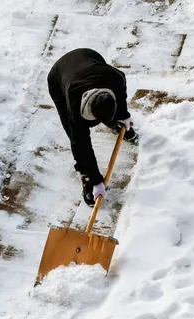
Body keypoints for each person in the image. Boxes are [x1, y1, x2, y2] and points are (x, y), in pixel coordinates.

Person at [47, 48, 138, 207]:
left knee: (114, 116)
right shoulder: (74, 104)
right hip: (58, 77)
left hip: (89, 56)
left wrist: (123, 115)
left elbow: (121, 94)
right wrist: (95, 180)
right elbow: (81, 144)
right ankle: (86, 176)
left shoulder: (115, 78)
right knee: (74, 133)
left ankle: (115, 122)